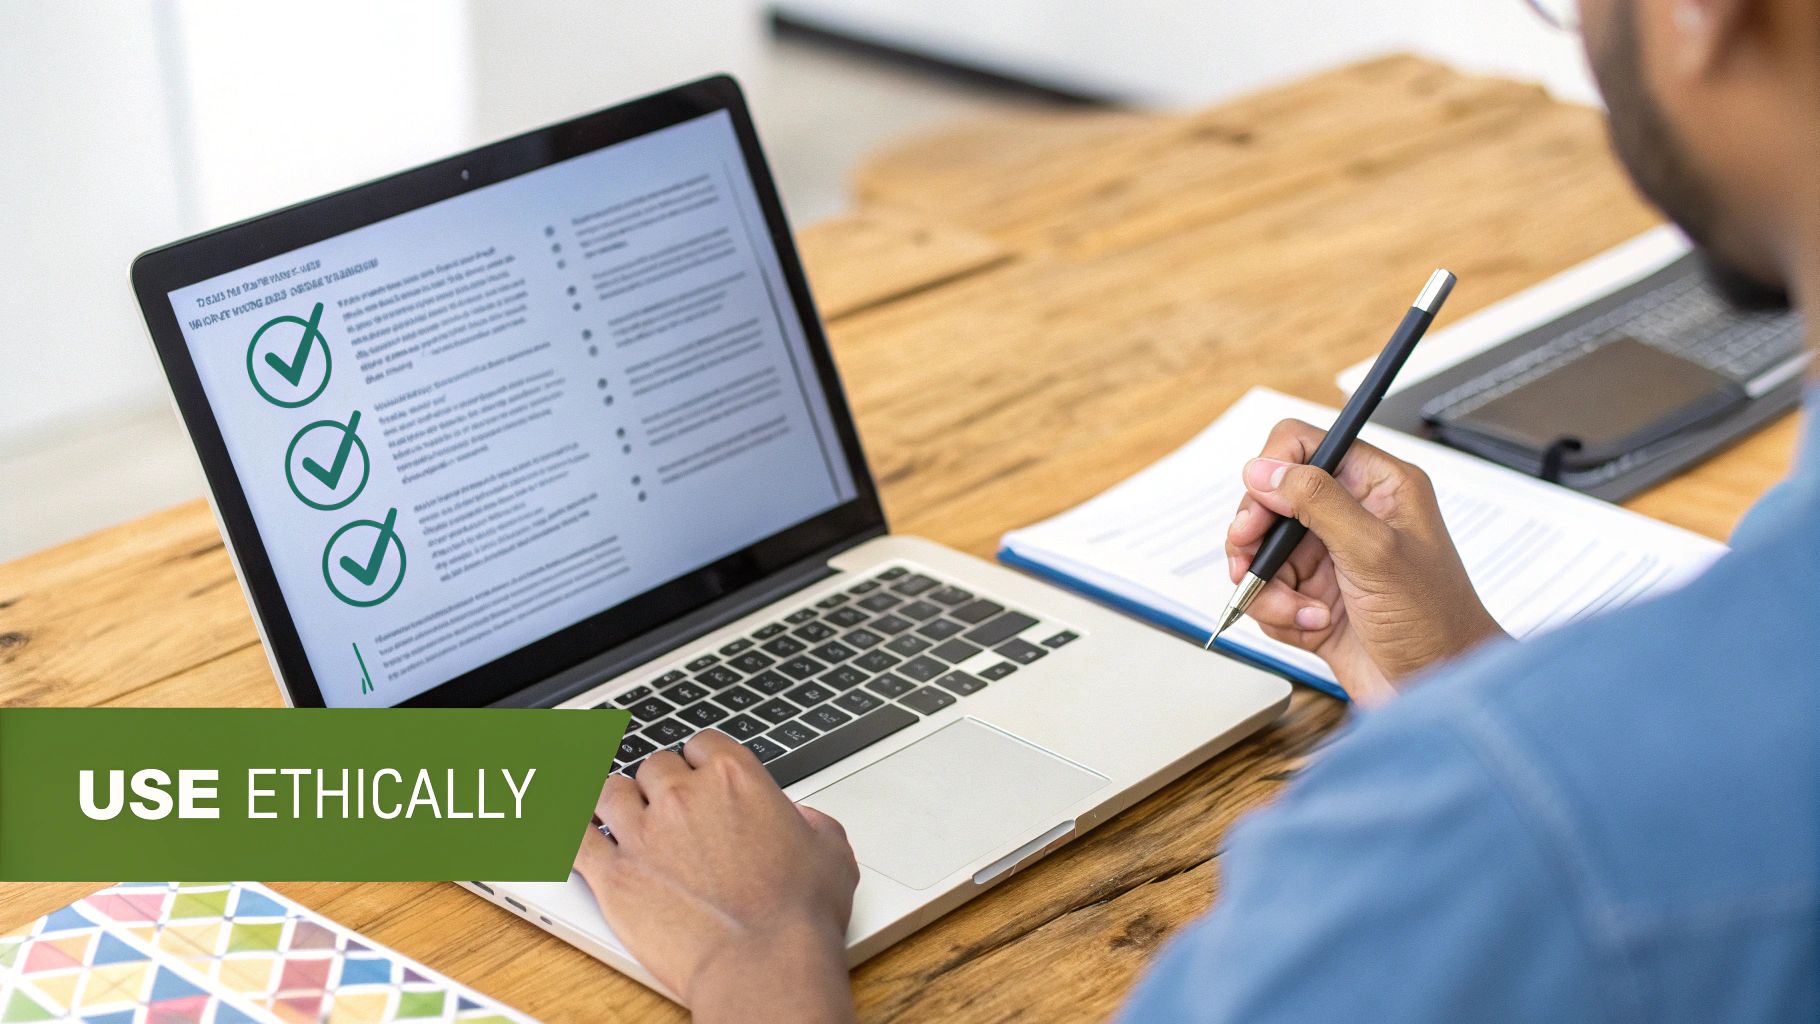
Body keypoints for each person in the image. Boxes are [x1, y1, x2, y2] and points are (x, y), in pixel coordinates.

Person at [569, 0, 1820, 1017]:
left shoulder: (1473, 838)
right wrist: (1449, 674)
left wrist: (754, 952)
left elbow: (1577, 832)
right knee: (438, 779)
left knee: (479, 788)